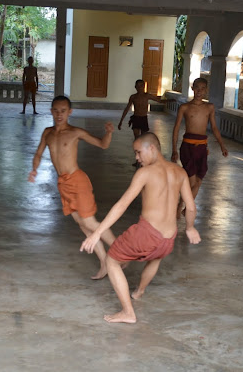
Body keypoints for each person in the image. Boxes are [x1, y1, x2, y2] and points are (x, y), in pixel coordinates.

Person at [81, 132, 201, 324]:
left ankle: (127, 312)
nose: (136, 158)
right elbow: (191, 206)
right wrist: (190, 228)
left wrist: (97, 233)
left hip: (147, 233)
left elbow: (122, 205)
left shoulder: (145, 173)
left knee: (111, 261)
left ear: (151, 148)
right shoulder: (180, 172)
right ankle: (139, 292)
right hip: (169, 238)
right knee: (155, 258)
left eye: (138, 152)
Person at [28, 95, 116, 279]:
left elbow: (102, 144)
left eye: (63, 111)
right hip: (63, 183)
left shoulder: (76, 132)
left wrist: (108, 133)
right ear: (51, 111)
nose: (59, 114)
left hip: (78, 181)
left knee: (90, 222)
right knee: (82, 224)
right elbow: (38, 153)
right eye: (56, 110)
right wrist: (34, 170)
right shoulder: (47, 133)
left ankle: (121, 253)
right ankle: (104, 263)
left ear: (70, 112)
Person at [171, 77, 228, 218]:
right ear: (192, 88)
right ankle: (180, 207)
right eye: (197, 88)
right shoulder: (184, 107)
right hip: (187, 147)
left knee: (198, 181)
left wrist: (222, 145)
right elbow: (176, 128)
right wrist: (174, 149)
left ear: (206, 90)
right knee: (192, 182)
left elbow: (214, 127)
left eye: (203, 88)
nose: (199, 91)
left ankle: (183, 207)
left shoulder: (209, 108)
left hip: (202, 148)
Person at [118, 80, 170, 166]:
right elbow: (127, 108)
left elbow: (159, 100)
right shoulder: (133, 97)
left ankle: (144, 159)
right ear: (135, 87)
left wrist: (170, 100)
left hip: (143, 119)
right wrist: (121, 121)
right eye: (138, 86)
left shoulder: (147, 96)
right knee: (137, 139)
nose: (140, 88)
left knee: (144, 141)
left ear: (144, 86)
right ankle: (137, 160)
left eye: (141, 86)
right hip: (136, 118)